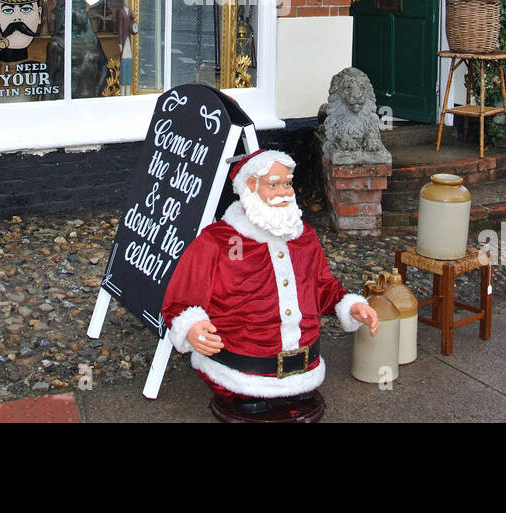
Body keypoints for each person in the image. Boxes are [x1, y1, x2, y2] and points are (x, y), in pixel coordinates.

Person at [162, 149, 379, 416]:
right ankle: (243, 391)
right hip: (241, 369)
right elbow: (183, 298)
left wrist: (348, 305)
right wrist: (191, 327)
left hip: (305, 365)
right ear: (251, 186)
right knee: (246, 401)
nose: (285, 192)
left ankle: (295, 385)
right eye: (273, 184)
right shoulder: (218, 240)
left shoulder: (303, 236)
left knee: (302, 399)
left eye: (287, 183)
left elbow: (321, 285)